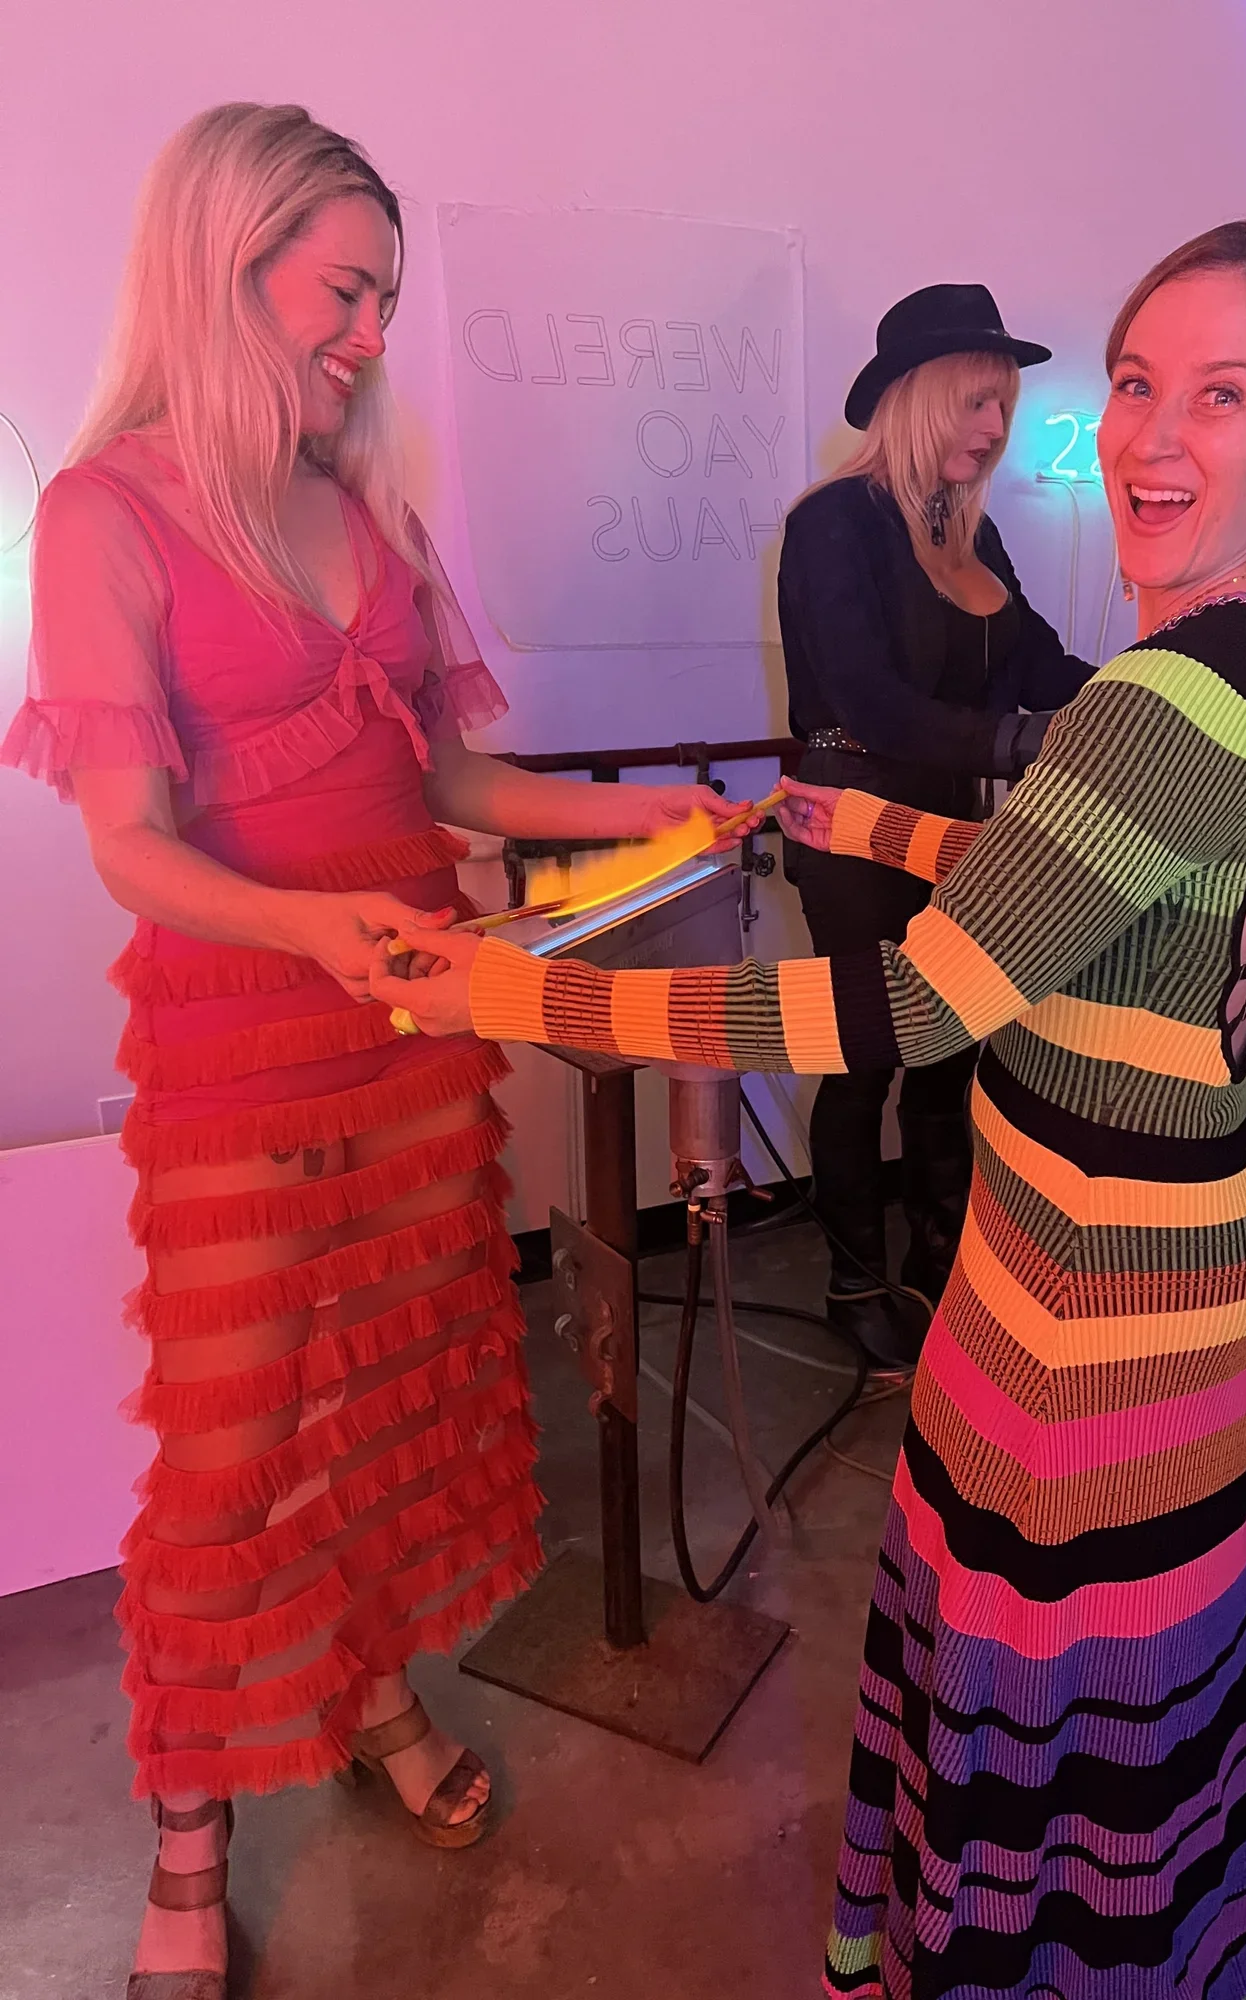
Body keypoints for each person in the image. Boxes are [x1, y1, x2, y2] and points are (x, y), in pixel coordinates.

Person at [371, 217, 1246, 2000]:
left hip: (1095, 1282)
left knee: (1042, 1644)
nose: (1150, 435)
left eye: (1221, 396)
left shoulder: (1159, 694)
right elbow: (1102, 885)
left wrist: (516, 989)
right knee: (1148, 1634)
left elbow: (910, 1004)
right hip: (1188, 1226)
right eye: (1137, 383)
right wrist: (898, 830)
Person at [0, 103, 747, 2000]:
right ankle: (190, 1830)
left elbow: (449, 782)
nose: (369, 334)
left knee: (392, 1394)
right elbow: (129, 841)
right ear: (223, 261)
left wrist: (658, 814)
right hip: (248, 1042)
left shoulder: (368, 511)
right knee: (234, 1449)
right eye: (344, 290)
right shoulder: (107, 512)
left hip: (418, 1030)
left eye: (386, 301)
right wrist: (318, 930)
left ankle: (372, 1693)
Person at [779, 285, 1095, 1367]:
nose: (995, 427)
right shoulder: (834, 522)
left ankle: (940, 1257)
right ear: (915, 398)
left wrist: (1149, 698)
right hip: (853, 822)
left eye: (1003, 405)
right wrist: (1023, 741)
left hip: (954, 826)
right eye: (975, 402)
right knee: (865, 1057)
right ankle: (854, 1281)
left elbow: (1041, 663)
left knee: (952, 1052)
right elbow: (871, 701)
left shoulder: (974, 531)